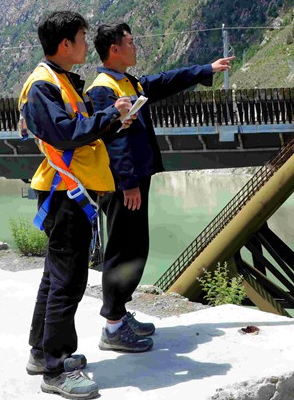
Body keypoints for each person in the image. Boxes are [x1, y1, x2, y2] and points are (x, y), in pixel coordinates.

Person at [86, 22, 233, 350]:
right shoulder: (103, 89)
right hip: (123, 184)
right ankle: (112, 328)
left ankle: (120, 314)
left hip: (136, 180)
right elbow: (115, 140)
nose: (135, 47)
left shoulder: (128, 81)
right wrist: (128, 183)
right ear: (114, 49)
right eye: (130, 42)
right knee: (123, 249)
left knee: (136, 247)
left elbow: (165, 81)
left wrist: (205, 70)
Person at [18, 10, 137, 399]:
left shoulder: (62, 81)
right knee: (67, 282)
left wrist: (113, 120)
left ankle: (42, 353)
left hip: (70, 192)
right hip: (66, 194)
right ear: (65, 44)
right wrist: (110, 113)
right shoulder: (43, 86)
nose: (87, 45)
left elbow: (80, 130)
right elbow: (66, 134)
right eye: (83, 38)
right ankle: (56, 369)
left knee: (55, 277)